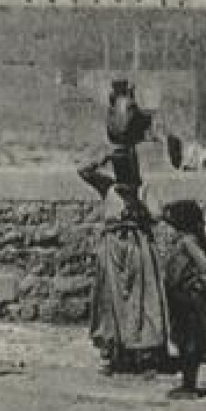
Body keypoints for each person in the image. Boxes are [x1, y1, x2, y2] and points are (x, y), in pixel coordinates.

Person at [78, 147, 168, 376]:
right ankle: (113, 353)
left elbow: (157, 215)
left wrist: (138, 208)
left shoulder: (144, 189)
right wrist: (104, 156)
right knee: (110, 301)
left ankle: (146, 355)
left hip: (137, 247)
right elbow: (83, 171)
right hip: (112, 248)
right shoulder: (108, 187)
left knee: (144, 300)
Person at [157, 199, 206, 400]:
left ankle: (189, 387)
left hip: (188, 296)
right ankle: (187, 384)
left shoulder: (188, 241)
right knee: (183, 339)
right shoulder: (185, 239)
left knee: (190, 340)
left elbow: (204, 264)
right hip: (180, 295)